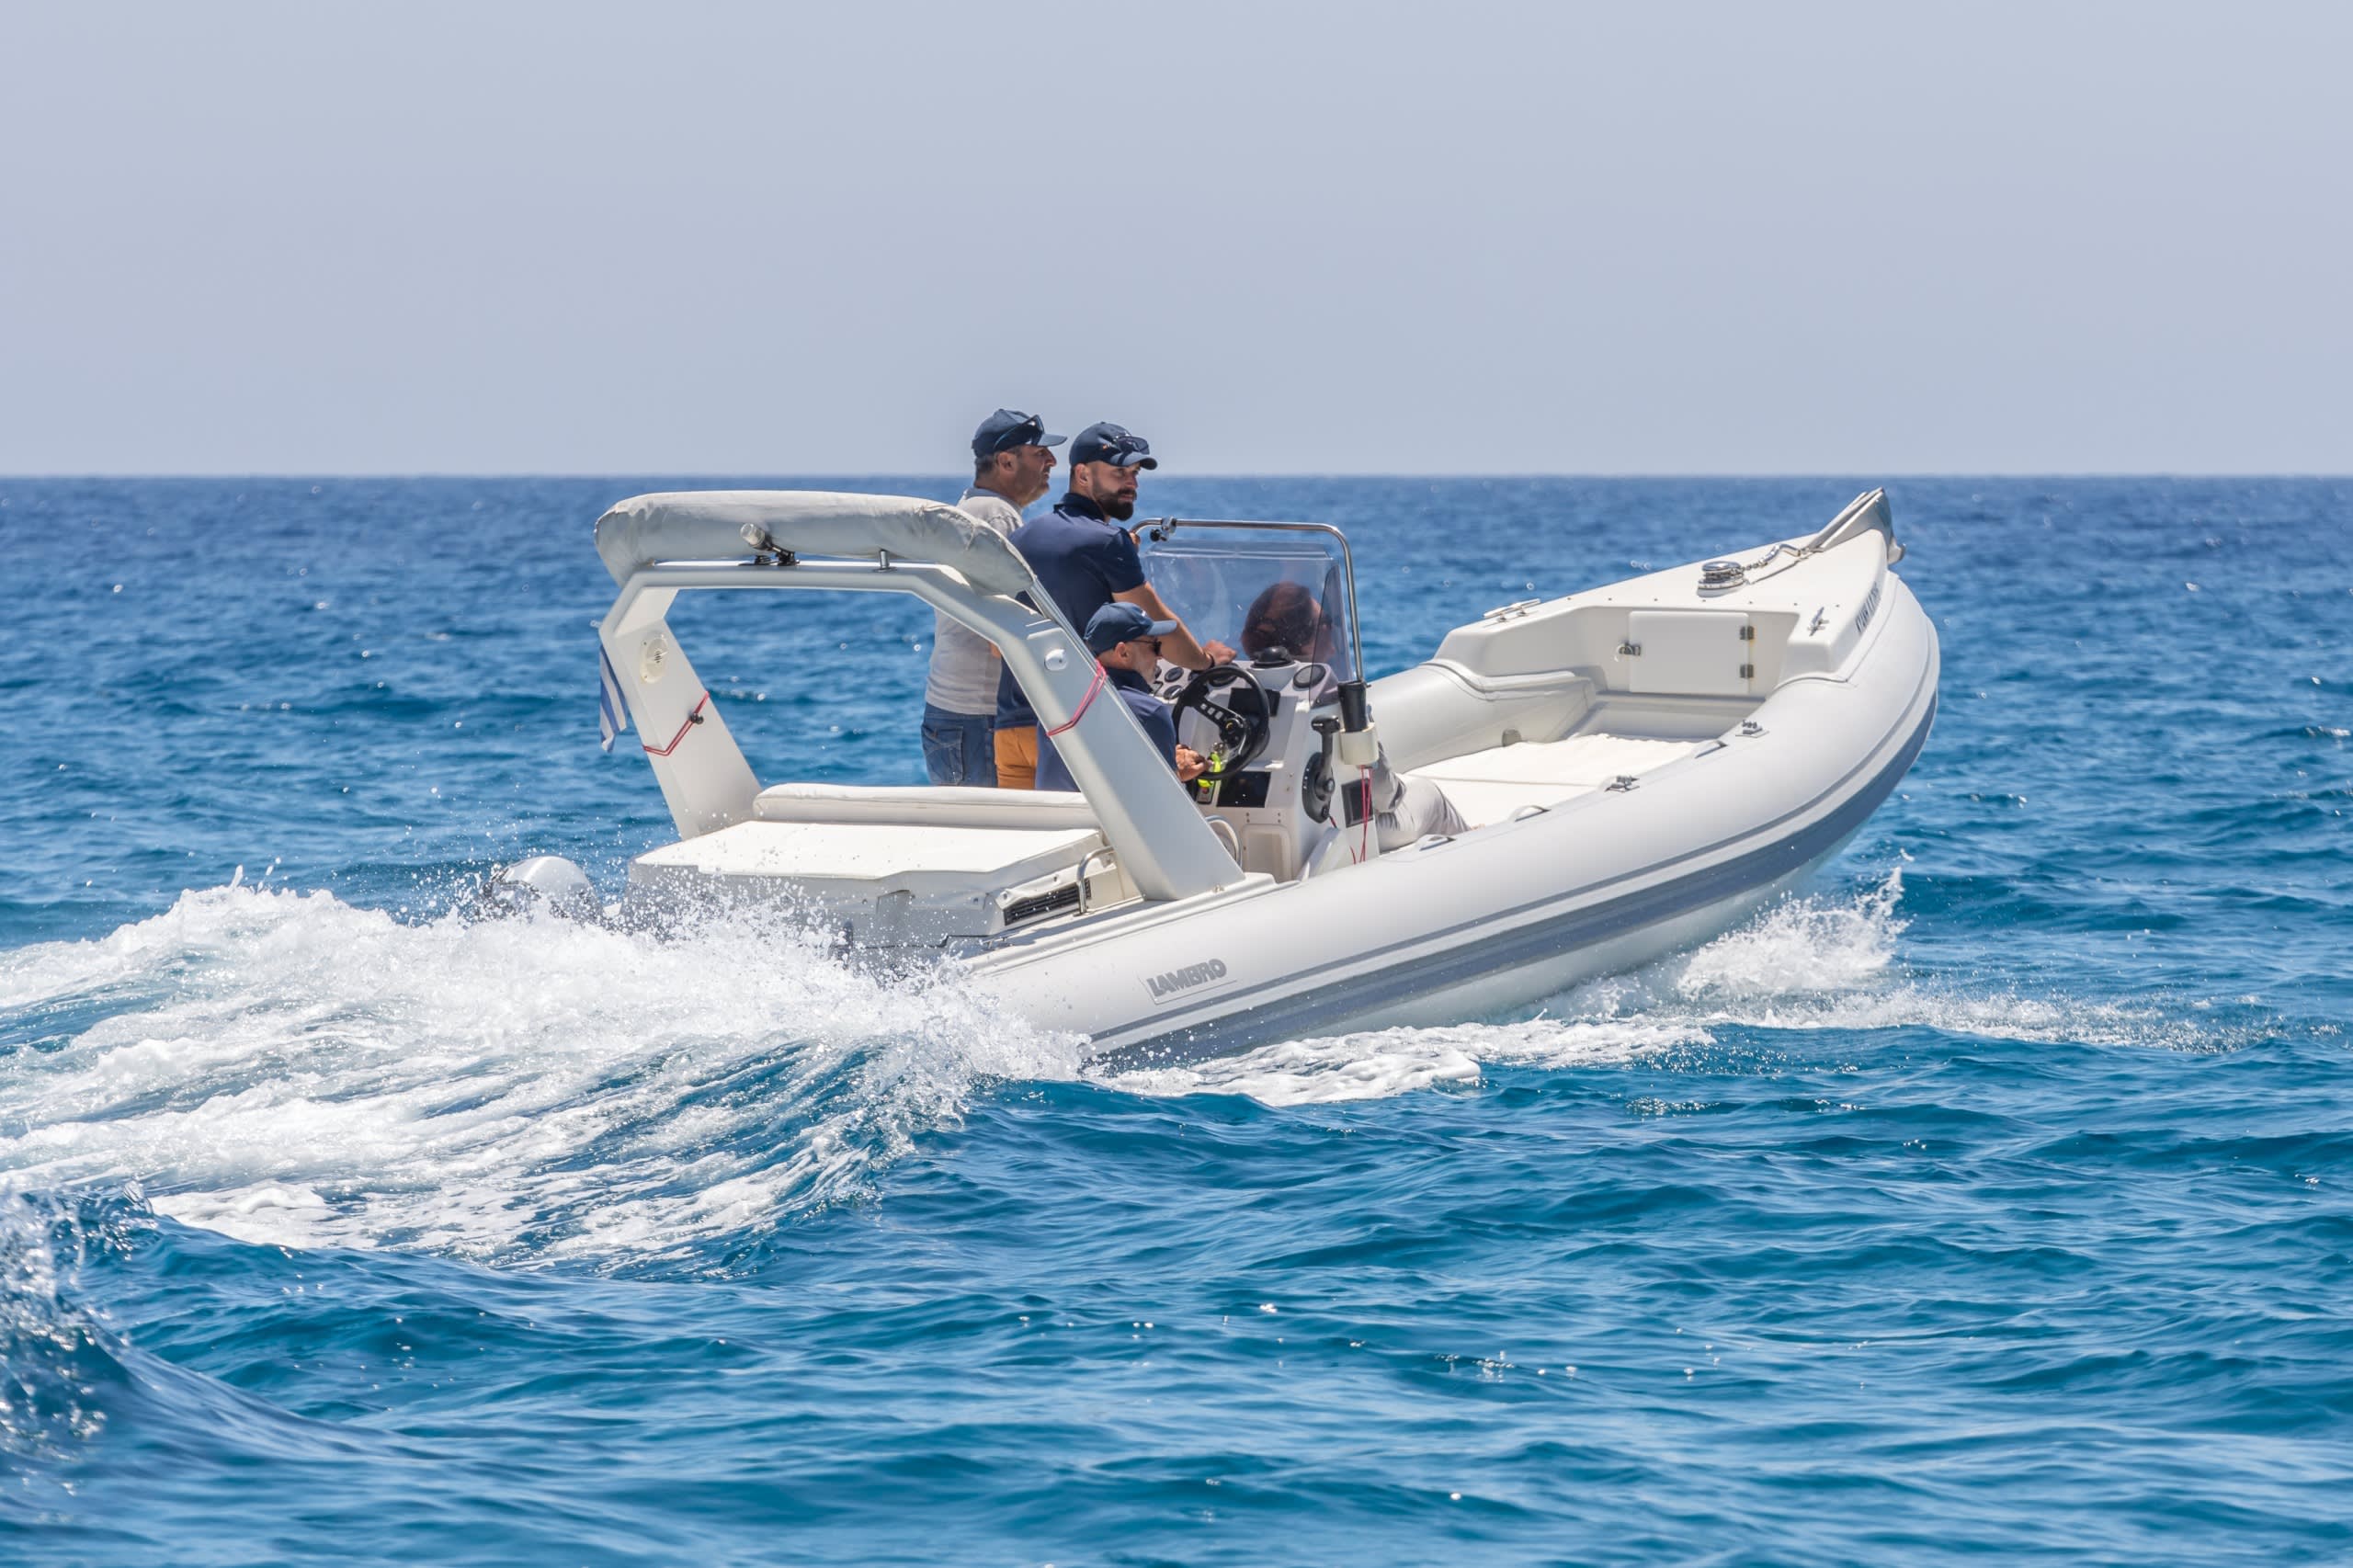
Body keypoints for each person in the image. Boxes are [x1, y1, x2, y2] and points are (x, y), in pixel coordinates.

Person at [993, 421, 1232, 789]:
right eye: (1119, 472)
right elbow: (1155, 620)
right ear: (1082, 474)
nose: (1131, 483)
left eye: (1134, 473)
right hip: (1068, 725)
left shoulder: (1022, 537)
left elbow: (997, 644)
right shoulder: (1107, 542)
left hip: (1011, 730)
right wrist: (1206, 661)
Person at [922, 409, 1063, 786]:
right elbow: (1009, 621)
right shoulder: (997, 517)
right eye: (1039, 453)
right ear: (1005, 461)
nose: (1051, 461)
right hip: (980, 718)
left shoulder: (970, 507)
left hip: (952, 713)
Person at [1034, 602, 1208, 793]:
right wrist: (1177, 772)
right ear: (1123, 652)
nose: (1160, 657)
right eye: (1155, 646)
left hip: (1061, 820)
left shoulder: (1055, 705)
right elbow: (1167, 800)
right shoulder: (1149, 713)